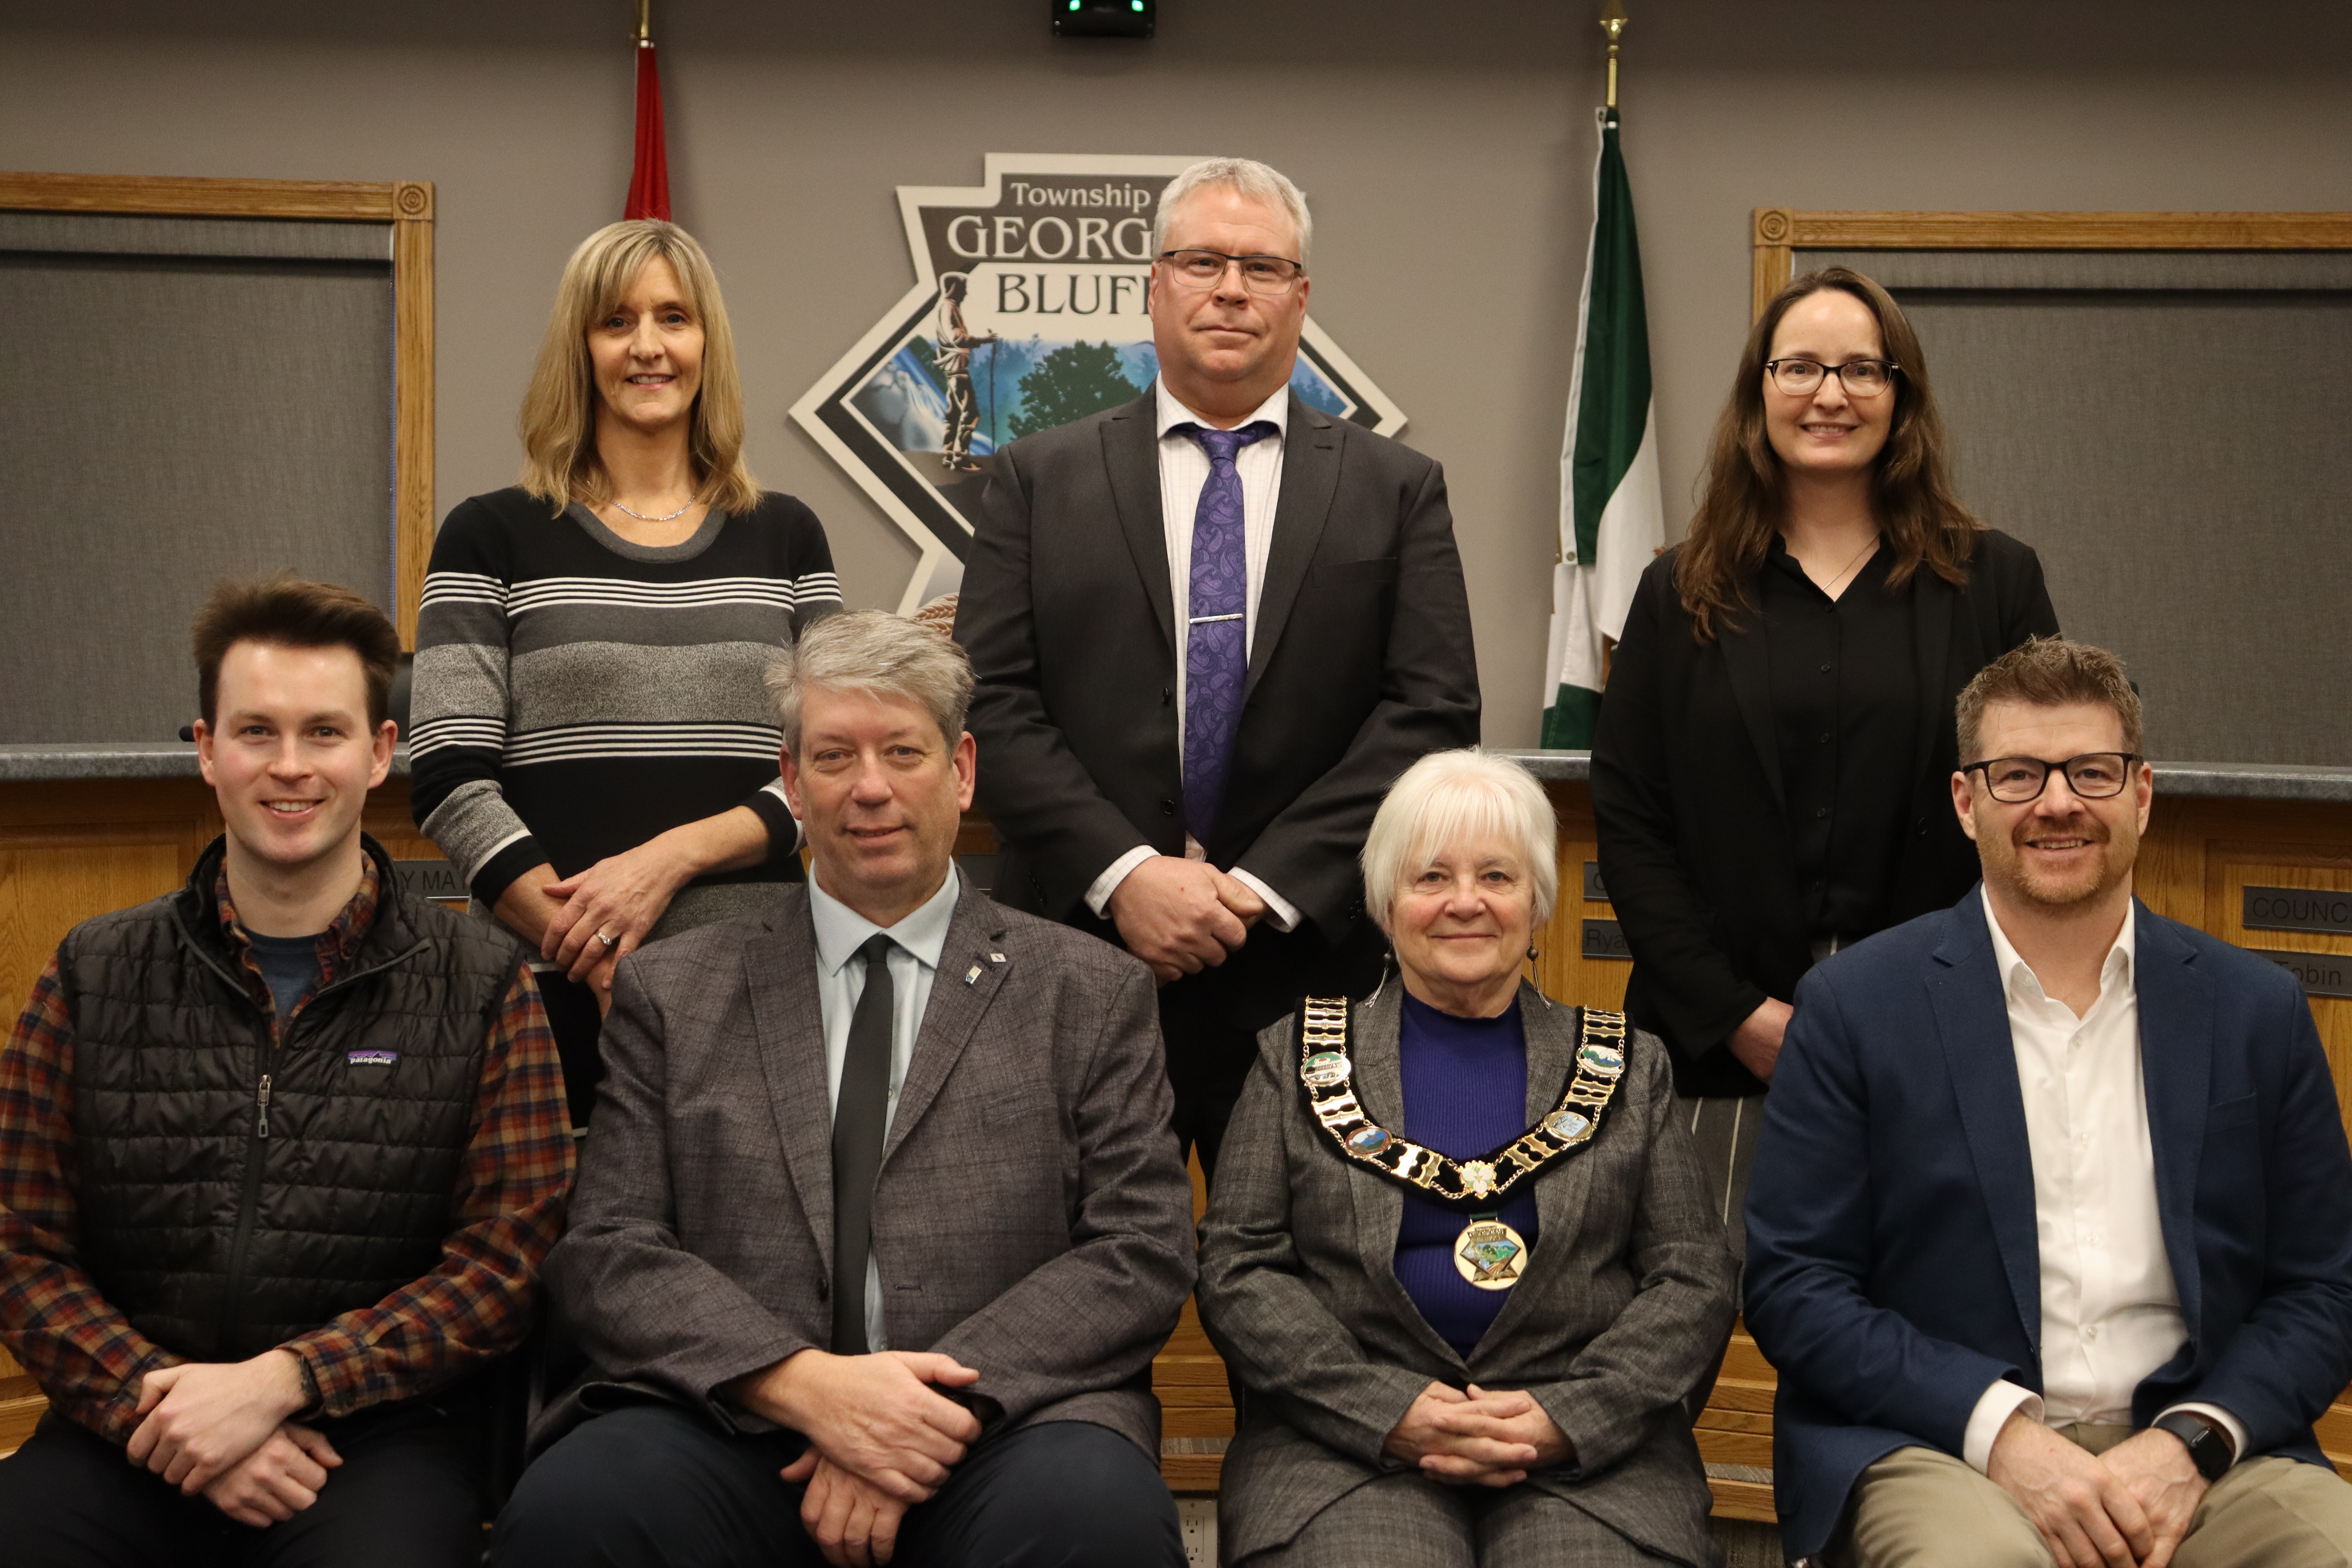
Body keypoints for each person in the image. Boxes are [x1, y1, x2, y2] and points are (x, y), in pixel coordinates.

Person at [493, 611, 1196, 1568]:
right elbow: (610, 1250)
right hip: (734, 1415)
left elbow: (1139, 1249)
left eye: (903, 751)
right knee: (580, 1508)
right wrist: (807, 1389)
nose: (870, 788)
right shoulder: (674, 988)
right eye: (833, 756)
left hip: (1002, 1419)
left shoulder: (1090, 989)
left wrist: (911, 1414)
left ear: (962, 771)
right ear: (791, 781)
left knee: (1097, 1519)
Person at [0, 577, 575, 1567]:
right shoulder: (94, 969)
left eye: (324, 732)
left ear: (381, 753)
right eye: (256, 732)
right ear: (207, 751)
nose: (291, 767)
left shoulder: (482, 984)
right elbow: (18, 1244)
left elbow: (506, 1263)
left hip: (377, 1440)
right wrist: (161, 1406)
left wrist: (285, 1381)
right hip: (130, 1419)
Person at [1744, 637, 2352, 1568]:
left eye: (2091, 772)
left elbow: (2325, 1286)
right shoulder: (1857, 1007)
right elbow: (1796, 1286)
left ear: (2141, 796)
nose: (2058, 802)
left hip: (2205, 1455)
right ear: (1966, 801)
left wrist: (2194, 1441)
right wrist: (2008, 1436)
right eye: (2019, 774)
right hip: (1948, 1449)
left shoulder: (2254, 1009)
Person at [956, 156, 1481, 1177]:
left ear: (1301, 296)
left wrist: (1257, 889)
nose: (1231, 288)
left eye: (1261, 267)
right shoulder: (1033, 478)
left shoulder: (1397, 489)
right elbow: (991, 708)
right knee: (1075, 1311)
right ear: (1154, 286)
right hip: (1078, 960)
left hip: (1307, 972)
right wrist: (1130, 877)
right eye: (1202, 261)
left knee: (1318, 1307)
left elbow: (1431, 712)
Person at [1590, 265, 2059, 1253]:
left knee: (1933, 1325)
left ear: (1902, 395)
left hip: (1939, 1039)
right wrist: (1736, 1016)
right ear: (1758, 392)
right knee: (1710, 1341)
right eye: (1799, 366)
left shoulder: (1995, 582)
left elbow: (2034, 809)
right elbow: (1631, 820)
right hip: (1720, 1052)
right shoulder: (1677, 592)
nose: (1830, 393)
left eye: (1860, 369)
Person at [1198, 748, 1737, 1568]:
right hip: (1346, 1450)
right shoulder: (1297, 1056)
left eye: (1497, 875)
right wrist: (1391, 1408)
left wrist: (1571, 1416)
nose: (1465, 903)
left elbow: (1692, 1275)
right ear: (1384, 903)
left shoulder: (1630, 1063)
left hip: (1589, 1460)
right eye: (1431, 877)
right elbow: (1240, 1266)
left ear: (1537, 902)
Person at [410, 218, 840, 1119]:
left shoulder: (788, 534)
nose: (648, 346)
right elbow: (450, 775)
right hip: (547, 987)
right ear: (582, 346)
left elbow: (832, 767)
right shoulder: (489, 533)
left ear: (706, 344)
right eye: (616, 322)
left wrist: (667, 859)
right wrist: (598, 955)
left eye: (674, 318)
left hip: (755, 986)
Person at [932, 272, 996, 472]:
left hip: (954, 368)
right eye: (963, 289)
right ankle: (960, 458)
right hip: (957, 369)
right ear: (953, 289)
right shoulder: (948, 308)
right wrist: (983, 340)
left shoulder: (948, 307)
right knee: (971, 413)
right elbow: (956, 338)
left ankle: (950, 453)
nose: (966, 293)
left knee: (954, 413)